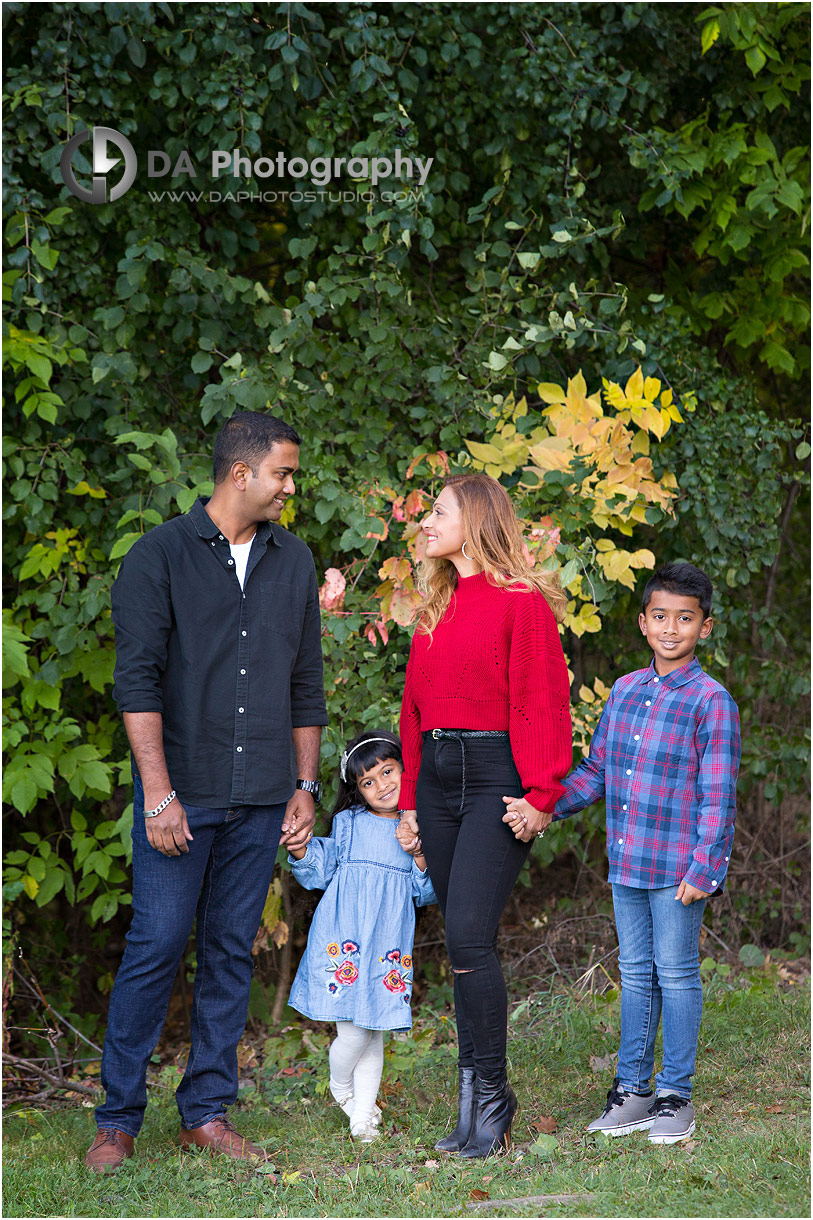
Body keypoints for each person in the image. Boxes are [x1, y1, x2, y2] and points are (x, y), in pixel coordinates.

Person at [85, 411, 328, 1171]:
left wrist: (305, 785)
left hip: (261, 793)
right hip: (181, 795)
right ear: (240, 475)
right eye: (283, 473)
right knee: (156, 946)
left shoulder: (293, 562)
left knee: (229, 951)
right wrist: (157, 794)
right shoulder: (158, 558)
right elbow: (137, 685)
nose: (291, 486)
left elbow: (305, 684)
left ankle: (206, 1112)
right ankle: (117, 1119)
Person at [395, 473, 572, 1157]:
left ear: (473, 520)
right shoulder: (434, 609)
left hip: (496, 778)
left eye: (436, 512)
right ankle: (470, 1104)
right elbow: (413, 717)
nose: (425, 523)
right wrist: (407, 802)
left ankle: (493, 1097)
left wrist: (541, 796)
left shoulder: (518, 603)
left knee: (469, 935)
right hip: (437, 782)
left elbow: (542, 699)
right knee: (459, 945)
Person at [543, 562, 740, 1145]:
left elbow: (718, 794)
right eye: (661, 616)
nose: (671, 628)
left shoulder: (711, 701)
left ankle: (676, 1095)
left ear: (705, 627)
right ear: (643, 623)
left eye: (685, 618)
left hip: (678, 869)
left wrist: (706, 866)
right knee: (634, 974)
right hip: (627, 862)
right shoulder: (627, 690)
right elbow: (597, 771)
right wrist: (544, 804)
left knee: (676, 975)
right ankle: (633, 1090)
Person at [286, 730, 436, 1143]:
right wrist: (300, 849)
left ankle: (362, 1118)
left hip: (387, 942)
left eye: (389, 772)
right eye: (369, 782)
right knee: (353, 1033)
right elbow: (320, 869)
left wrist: (420, 852)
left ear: (408, 770)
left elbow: (426, 891)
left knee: (373, 1030)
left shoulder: (419, 824)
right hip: (344, 936)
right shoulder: (348, 823)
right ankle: (342, 1089)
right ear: (358, 791)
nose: (383, 785)